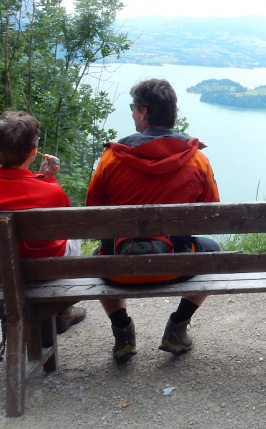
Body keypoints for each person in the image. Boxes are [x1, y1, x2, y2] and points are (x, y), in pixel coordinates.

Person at [85, 78, 221, 360]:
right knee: (214, 253)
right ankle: (178, 326)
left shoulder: (111, 158)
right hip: (177, 265)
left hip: (119, 270)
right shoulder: (197, 160)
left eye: (133, 108)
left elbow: (92, 214)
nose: (132, 113)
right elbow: (209, 215)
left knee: (100, 253)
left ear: (144, 112)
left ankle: (122, 330)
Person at [0, 110, 86, 334]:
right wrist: (48, 180)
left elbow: (6, 191)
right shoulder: (51, 191)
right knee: (74, 233)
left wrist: (38, 179)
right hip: (45, 270)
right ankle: (61, 310)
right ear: (34, 152)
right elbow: (65, 221)